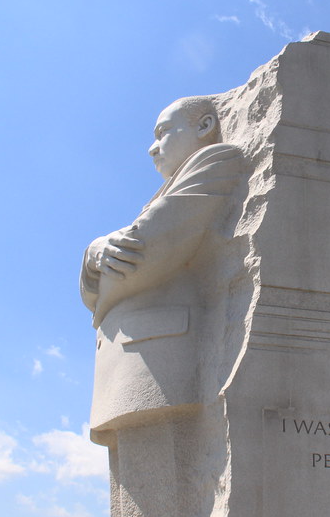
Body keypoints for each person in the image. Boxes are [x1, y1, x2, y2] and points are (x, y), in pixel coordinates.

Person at [80, 95, 246, 445]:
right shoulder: (159, 194)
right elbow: (110, 271)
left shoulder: (216, 159)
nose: (152, 149)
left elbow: (140, 256)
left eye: (163, 133)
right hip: (131, 360)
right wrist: (95, 253)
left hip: (158, 361)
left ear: (204, 126)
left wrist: (100, 301)